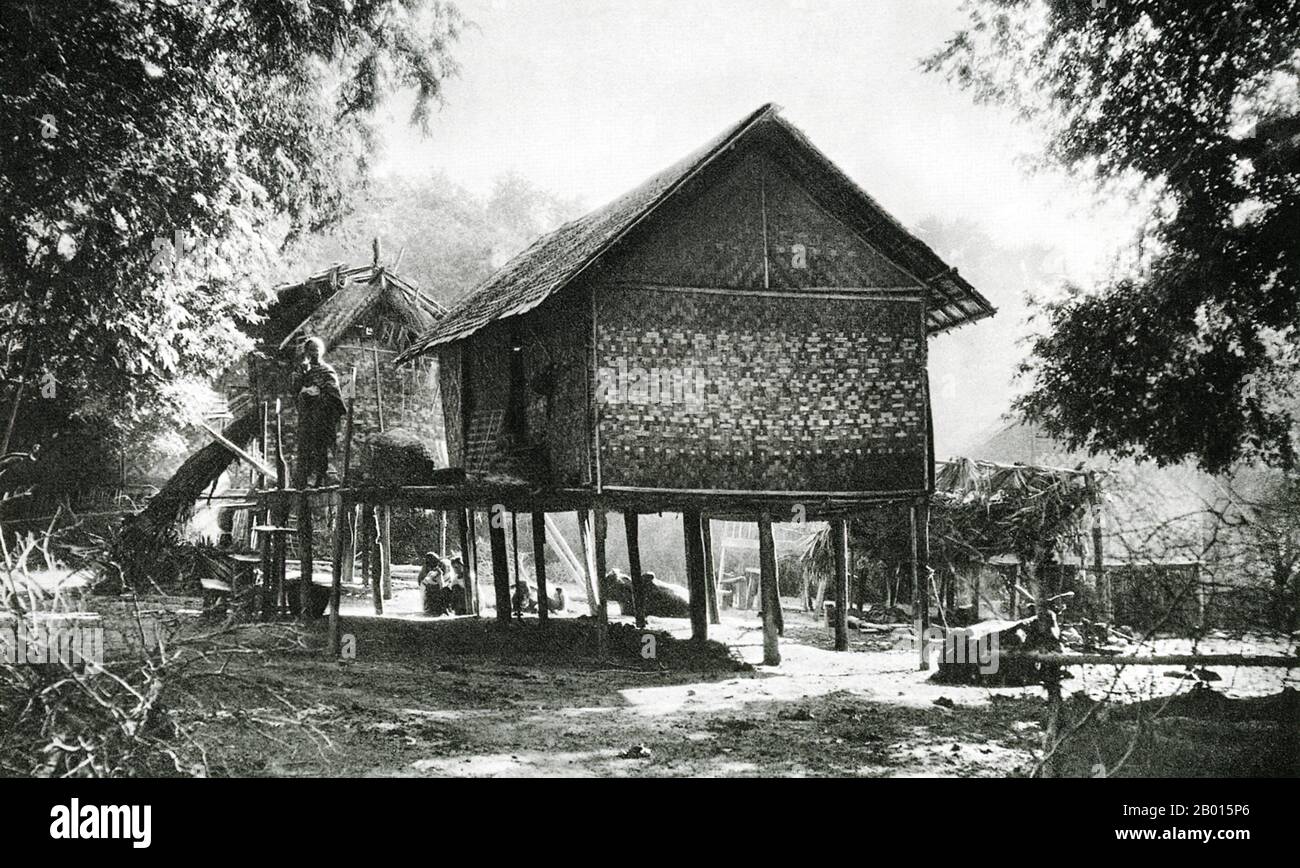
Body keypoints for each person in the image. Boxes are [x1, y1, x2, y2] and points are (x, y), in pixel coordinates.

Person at [295, 336, 346, 488]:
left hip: (321, 418)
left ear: (321, 352)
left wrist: (319, 394)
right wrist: (303, 388)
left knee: (320, 447)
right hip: (307, 418)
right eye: (310, 350)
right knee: (306, 448)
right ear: (306, 352)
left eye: (316, 350)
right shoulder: (304, 371)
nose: (313, 354)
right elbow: (296, 391)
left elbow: (334, 393)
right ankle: (305, 479)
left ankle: (320, 478)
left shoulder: (326, 370)